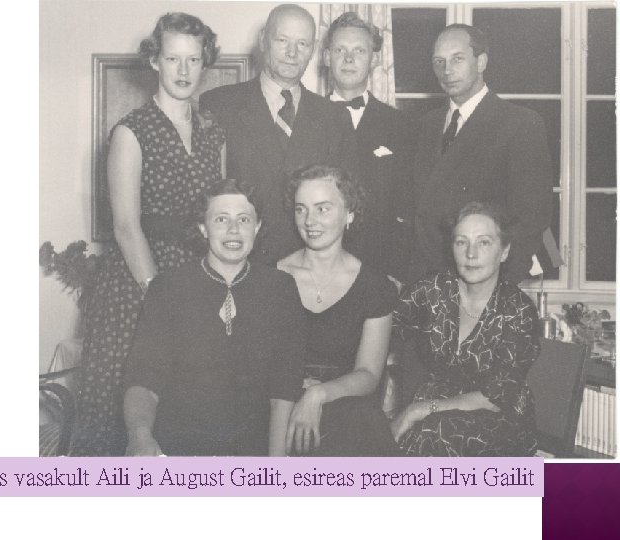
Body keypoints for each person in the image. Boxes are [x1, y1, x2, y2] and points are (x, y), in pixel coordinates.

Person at [69, 13, 225, 456]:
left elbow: (221, 214)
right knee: (122, 419)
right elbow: (126, 227)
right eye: (173, 58)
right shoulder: (131, 131)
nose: (183, 70)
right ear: (155, 61)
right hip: (136, 285)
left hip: (197, 278)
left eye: (193, 59)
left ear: (205, 62)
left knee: (187, 413)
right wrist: (160, 297)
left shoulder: (215, 133)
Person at [124, 179, 305, 456]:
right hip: (177, 448)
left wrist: (275, 468)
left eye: (244, 219)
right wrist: (140, 437)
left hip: (254, 449)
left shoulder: (281, 288)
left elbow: (284, 389)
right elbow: (143, 380)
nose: (234, 229)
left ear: (257, 227)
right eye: (221, 219)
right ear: (203, 228)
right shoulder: (168, 288)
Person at [200, 4, 358, 265]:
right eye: (282, 40)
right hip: (240, 264)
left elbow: (345, 203)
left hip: (310, 268)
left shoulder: (334, 117)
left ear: (313, 49)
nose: (292, 53)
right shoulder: (220, 105)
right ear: (263, 40)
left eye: (302, 44)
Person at [392, 202, 540, 456]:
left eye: (484, 242)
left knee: (431, 435)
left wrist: (417, 410)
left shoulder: (518, 310)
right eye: (461, 242)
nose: (471, 254)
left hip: (496, 419)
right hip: (432, 410)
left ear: (504, 251)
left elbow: (494, 397)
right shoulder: (432, 290)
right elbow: (385, 329)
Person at [411, 23, 554, 285]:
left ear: (481, 62)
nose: (447, 70)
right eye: (439, 62)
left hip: (485, 284)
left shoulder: (519, 123)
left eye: (457, 59)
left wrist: (496, 286)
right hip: (427, 284)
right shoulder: (425, 125)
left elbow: (532, 219)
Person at [278, 165, 400, 456]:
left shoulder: (375, 286)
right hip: (280, 399)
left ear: (349, 214)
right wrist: (294, 390)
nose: (309, 221)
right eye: (301, 209)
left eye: (323, 209)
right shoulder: (273, 277)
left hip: (346, 404)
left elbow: (368, 374)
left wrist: (318, 395)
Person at [323, 12, 415, 283]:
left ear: (374, 59)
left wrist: (397, 273)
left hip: (380, 268)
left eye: (359, 51)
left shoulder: (402, 126)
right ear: (327, 57)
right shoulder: (307, 120)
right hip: (320, 268)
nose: (349, 59)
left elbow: (408, 207)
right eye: (340, 50)